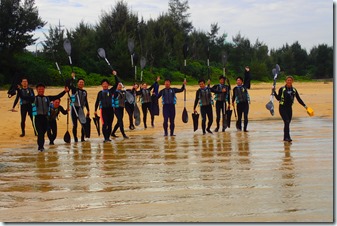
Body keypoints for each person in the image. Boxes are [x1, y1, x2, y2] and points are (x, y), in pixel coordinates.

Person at [17, 83, 68, 151]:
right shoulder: (33, 98)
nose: (41, 90)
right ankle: (41, 147)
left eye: (42, 89)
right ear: (37, 90)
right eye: (39, 89)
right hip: (37, 118)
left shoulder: (47, 98)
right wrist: (18, 89)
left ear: (44, 90)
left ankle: (41, 146)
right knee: (40, 134)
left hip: (45, 118)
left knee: (43, 134)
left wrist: (65, 91)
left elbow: (58, 96)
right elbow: (23, 97)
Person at [273, 76, 308, 142]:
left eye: (290, 80)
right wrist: (274, 92)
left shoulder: (294, 90)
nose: (289, 81)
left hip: (289, 108)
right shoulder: (282, 89)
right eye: (288, 80)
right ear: (286, 81)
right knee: (286, 121)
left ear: (292, 81)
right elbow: (278, 98)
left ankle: (285, 137)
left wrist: (305, 106)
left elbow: (298, 99)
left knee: (288, 123)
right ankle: (287, 137)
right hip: (282, 108)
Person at [94, 71, 119, 142]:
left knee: (110, 124)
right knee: (104, 124)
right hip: (103, 110)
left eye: (106, 84)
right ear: (101, 85)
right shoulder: (100, 93)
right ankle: (105, 138)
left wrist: (115, 75)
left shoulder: (111, 91)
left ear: (108, 85)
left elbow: (117, 83)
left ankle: (108, 137)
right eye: (103, 84)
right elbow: (97, 102)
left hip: (111, 109)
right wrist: (95, 110)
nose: (105, 85)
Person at [69, 77, 90, 142]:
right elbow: (70, 85)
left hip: (81, 109)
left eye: (82, 82)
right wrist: (72, 78)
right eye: (80, 82)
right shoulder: (74, 90)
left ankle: (82, 138)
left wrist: (88, 110)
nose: (81, 83)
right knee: (75, 125)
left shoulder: (84, 92)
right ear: (77, 83)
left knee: (83, 123)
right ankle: (75, 138)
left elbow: (85, 101)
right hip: (74, 109)